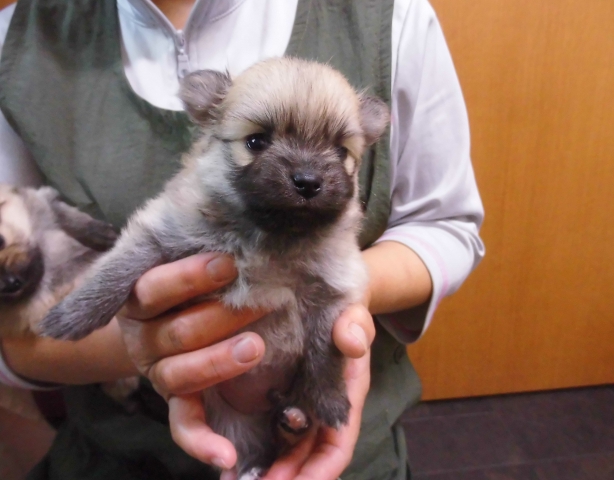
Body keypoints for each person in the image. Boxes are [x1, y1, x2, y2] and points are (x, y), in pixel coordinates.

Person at [0, 0, 485, 479]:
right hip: (117, 454)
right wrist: (129, 334)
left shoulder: (392, 15)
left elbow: (446, 225)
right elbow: (142, 245)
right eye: (257, 142)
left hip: (351, 456)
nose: (308, 174)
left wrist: (338, 331)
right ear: (209, 124)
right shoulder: (14, 43)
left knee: (306, 406)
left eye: (339, 151)